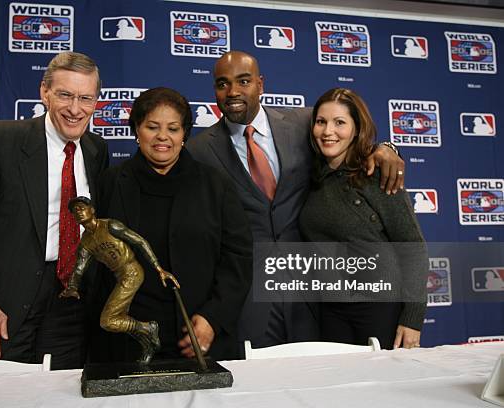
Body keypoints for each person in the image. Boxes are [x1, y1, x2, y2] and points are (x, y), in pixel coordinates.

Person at [186, 50, 405, 350]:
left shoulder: (305, 123)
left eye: (244, 81)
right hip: (250, 298)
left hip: (314, 294)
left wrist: (387, 149)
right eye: (222, 84)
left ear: (261, 85)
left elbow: (347, 135)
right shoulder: (198, 150)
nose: (233, 91)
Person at [0, 52, 109, 369]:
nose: (75, 109)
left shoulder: (97, 150)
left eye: (85, 98)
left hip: (71, 306)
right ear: (44, 92)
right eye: (65, 95)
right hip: (4, 305)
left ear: (97, 101)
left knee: (63, 394)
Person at [93, 87, 252, 362]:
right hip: (128, 340)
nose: (162, 137)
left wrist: (212, 318)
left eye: (173, 128)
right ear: (136, 129)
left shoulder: (215, 184)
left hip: (197, 337)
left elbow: (239, 257)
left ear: (185, 134)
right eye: (152, 127)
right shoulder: (109, 183)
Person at [298, 87, 427, 349]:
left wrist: (413, 319)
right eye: (321, 122)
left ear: (356, 129)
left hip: (379, 308)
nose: (328, 131)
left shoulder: (376, 174)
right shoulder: (315, 177)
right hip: (332, 309)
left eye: (340, 122)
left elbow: (412, 246)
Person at [61, 196, 179, 364]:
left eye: (82, 207)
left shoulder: (110, 225)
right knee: (121, 319)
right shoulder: (85, 242)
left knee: (108, 321)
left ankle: (148, 328)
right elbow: (80, 267)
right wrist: (72, 287)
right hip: (119, 276)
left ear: (92, 210)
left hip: (132, 271)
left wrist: (158, 268)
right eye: (75, 210)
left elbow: (139, 241)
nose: (79, 211)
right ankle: (148, 345)